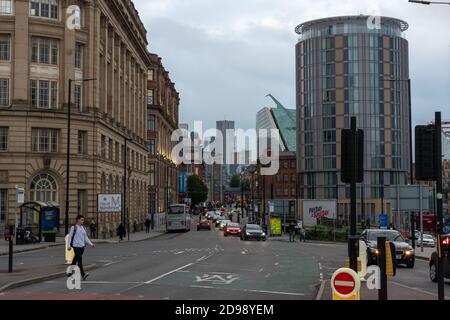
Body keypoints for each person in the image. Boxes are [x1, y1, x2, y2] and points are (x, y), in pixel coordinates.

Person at [67, 215, 95, 281]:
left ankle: (70, 272)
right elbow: (69, 237)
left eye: (83, 220)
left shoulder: (83, 228)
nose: (83, 221)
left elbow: (85, 238)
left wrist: (91, 244)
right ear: (78, 220)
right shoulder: (73, 228)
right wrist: (68, 246)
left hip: (82, 246)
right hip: (76, 246)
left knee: (75, 259)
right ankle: (83, 274)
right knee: (79, 260)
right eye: (81, 220)